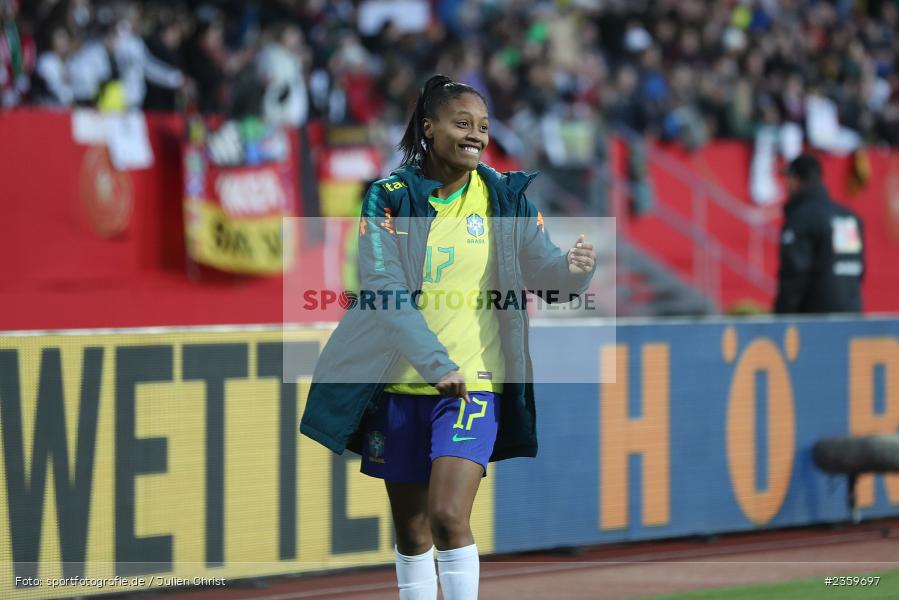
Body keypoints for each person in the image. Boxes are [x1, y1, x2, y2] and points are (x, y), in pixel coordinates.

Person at [300, 74, 596, 600]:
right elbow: (384, 288)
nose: (476, 135)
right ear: (429, 127)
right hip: (398, 387)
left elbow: (545, 273)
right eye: (462, 123)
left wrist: (572, 274)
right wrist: (433, 363)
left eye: (483, 126)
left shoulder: (505, 198)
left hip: (473, 384)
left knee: (446, 515)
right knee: (412, 532)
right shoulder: (388, 198)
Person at [774, 154, 865, 314]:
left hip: (813, 319)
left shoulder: (801, 217)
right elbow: (857, 271)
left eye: (788, 178)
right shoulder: (849, 217)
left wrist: (782, 317)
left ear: (795, 180)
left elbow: (794, 275)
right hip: (852, 315)